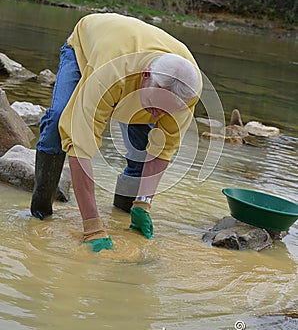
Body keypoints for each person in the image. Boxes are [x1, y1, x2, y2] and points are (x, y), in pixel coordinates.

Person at [30, 13, 202, 252]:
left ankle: (126, 212)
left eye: (165, 111)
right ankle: (40, 212)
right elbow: (81, 147)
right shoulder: (109, 74)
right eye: (154, 105)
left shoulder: (188, 90)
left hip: (131, 63)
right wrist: (92, 227)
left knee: (144, 145)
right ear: (145, 77)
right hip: (87, 50)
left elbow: (164, 148)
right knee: (61, 120)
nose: (156, 114)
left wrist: (144, 203)